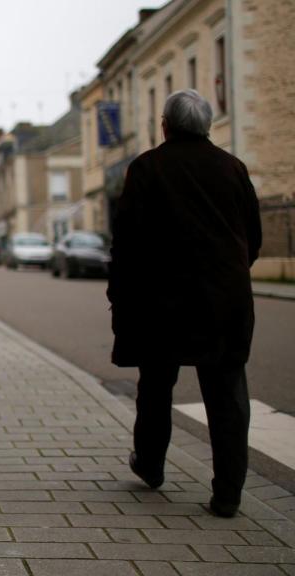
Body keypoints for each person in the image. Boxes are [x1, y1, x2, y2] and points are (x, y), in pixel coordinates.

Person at [108, 89, 262, 518]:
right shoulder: (233, 168)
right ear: (207, 126)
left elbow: (127, 243)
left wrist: (120, 295)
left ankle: (151, 466)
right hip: (224, 300)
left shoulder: (147, 169)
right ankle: (227, 494)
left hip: (163, 302)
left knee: (156, 387)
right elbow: (251, 237)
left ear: (165, 125)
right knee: (227, 396)